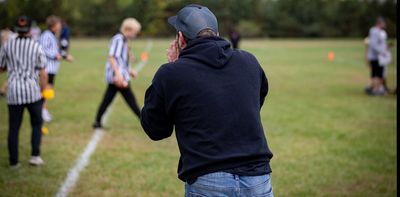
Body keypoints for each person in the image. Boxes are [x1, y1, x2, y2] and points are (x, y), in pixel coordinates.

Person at [141, 4, 274, 197]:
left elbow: (155, 129)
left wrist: (172, 68)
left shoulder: (171, 72)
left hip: (207, 178)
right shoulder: (249, 61)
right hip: (258, 178)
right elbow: (255, 102)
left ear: (180, 38)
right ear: (217, 33)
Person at [0, 16, 49, 168]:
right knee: (36, 124)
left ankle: (14, 162)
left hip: (14, 90)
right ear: (30, 29)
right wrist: (43, 89)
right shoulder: (36, 46)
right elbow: (43, 72)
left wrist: (14, 67)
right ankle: (35, 156)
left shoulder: (7, 46)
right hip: (32, 90)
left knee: (14, 127)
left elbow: (1, 67)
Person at [92, 18, 142, 129]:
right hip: (118, 77)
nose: (135, 34)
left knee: (108, 99)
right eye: (135, 32)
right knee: (130, 100)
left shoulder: (123, 40)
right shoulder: (118, 39)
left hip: (120, 75)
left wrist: (129, 71)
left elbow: (121, 61)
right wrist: (118, 74)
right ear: (129, 29)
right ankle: (144, 121)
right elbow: (112, 58)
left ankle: (97, 122)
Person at [38, 15, 72, 122]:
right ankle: (41, 112)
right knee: (45, 90)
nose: (60, 26)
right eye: (58, 25)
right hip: (46, 68)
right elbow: (42, 49)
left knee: (48, 90)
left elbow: (55, 50)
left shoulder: (53, 36)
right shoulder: (46, 35)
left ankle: (44, 110)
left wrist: (64, 55)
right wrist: (56, 56)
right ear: (53, 26)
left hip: (52, 68)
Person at [366, 17, 389, 96]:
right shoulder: (375, 31)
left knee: (377, 73)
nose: (385, 25)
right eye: (384, 23)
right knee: (377, 74)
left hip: (377, 57)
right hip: (376, 57)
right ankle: (376, 90)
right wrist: (382, 51)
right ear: (380, 23)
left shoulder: (378, 31)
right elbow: (374, 44)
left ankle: (375, 88)